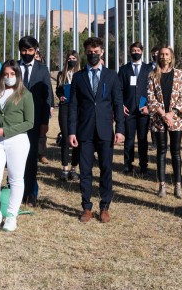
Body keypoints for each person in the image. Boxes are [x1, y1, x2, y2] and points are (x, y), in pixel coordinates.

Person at [67, 36, 124, 223]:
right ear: (85, 53)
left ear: (102, 52)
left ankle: (105, 206)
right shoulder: (78, 77)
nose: (93, 55)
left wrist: (120, 129)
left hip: (105, 131)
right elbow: (73, 106)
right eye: (90, 52)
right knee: (85, 171)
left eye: (96, 52)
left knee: (106, 170)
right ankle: (86, 207)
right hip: (84, 132)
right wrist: (71, 131)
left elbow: (117, 104)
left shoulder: (111, 75)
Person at [0, 61, 35, 232]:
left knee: (16, 179)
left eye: (12, 74)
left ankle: (11, 215)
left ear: (18, 76)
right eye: (6, 74)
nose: (9, 77)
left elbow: (29, 122)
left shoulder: (25, 94)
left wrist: (6, 131)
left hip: (17, 140)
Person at [147, 46, 182, 198]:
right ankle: (162, 185)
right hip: (159, 118)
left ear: (171, 57)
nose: (164, 57)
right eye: (161, 54)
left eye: (166, 54)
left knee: (176, 152)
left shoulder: (179, 74)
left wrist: (172, 114)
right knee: (161, 152)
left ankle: (178, 185)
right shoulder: (152, 75)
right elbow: (150, 97)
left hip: (175, 119)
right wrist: (164, 115)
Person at [18, 36, 52, 206]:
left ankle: (30, 193)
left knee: (31, 158)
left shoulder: (43, 70)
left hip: (35, 121)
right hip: (15, 122)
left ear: (36, 50)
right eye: (24, 50)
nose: (27, 53)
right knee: (16, 158)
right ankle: (16, 191)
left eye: (30, 50)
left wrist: (45, 121)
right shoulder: (14, 68)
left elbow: (47, 98)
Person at [118, 41, 152, 174]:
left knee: (143, 139)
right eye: (133, 50)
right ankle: (128, 165)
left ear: (142, 52)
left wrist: (148, 106)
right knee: (129, 139)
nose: (136, 52)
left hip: (144, 110)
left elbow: (153, 90)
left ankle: (144, 165)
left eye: (138, 50)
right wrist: (121, 105)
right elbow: (118, 89)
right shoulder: (124, 69)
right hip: (129, 110)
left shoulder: (149, 69)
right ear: (130, 52)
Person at [55, 50, 81, 181]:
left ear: (77, 59)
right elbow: (58, 90)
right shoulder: (62, 74)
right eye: (69, 58)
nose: (71, 60)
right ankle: (64, 168)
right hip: (65, 108)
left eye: (73, 58)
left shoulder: (81, 74)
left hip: (77, 109)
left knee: (76, 139)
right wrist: (60, 96)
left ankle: (73, 168)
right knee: (65, 138)